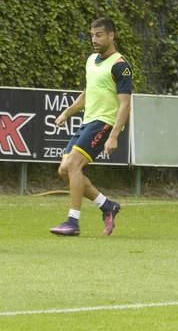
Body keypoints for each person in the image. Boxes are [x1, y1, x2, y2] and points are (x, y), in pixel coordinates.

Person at [50, 17, 132, 236]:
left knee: (74, 166)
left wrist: (114, 135)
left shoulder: (120, 65)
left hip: (103, 122)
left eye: (99, 35)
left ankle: (72, 222)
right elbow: (89, 93)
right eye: (92, 35)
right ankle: (107, 205)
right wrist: (67, 112)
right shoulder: (91, 60)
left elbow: (125, 104)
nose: (94, 39)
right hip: (88, 121)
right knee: (64, 170)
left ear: (111, 35)